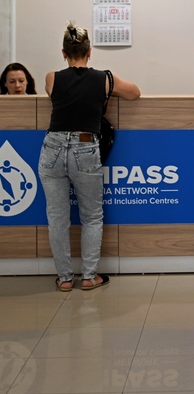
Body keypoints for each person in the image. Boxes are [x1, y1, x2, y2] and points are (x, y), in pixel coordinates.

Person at [38, 21, 141, 292]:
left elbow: (55, 95)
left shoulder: (52, 77)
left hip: (53, 146)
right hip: (86, 146)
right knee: (92, 216)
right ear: (90, 51)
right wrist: (107, 90)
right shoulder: (105, 79)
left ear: (63, 52)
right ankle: (88, 276)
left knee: (57, 217)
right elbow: (135, 93)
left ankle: (63, 279)